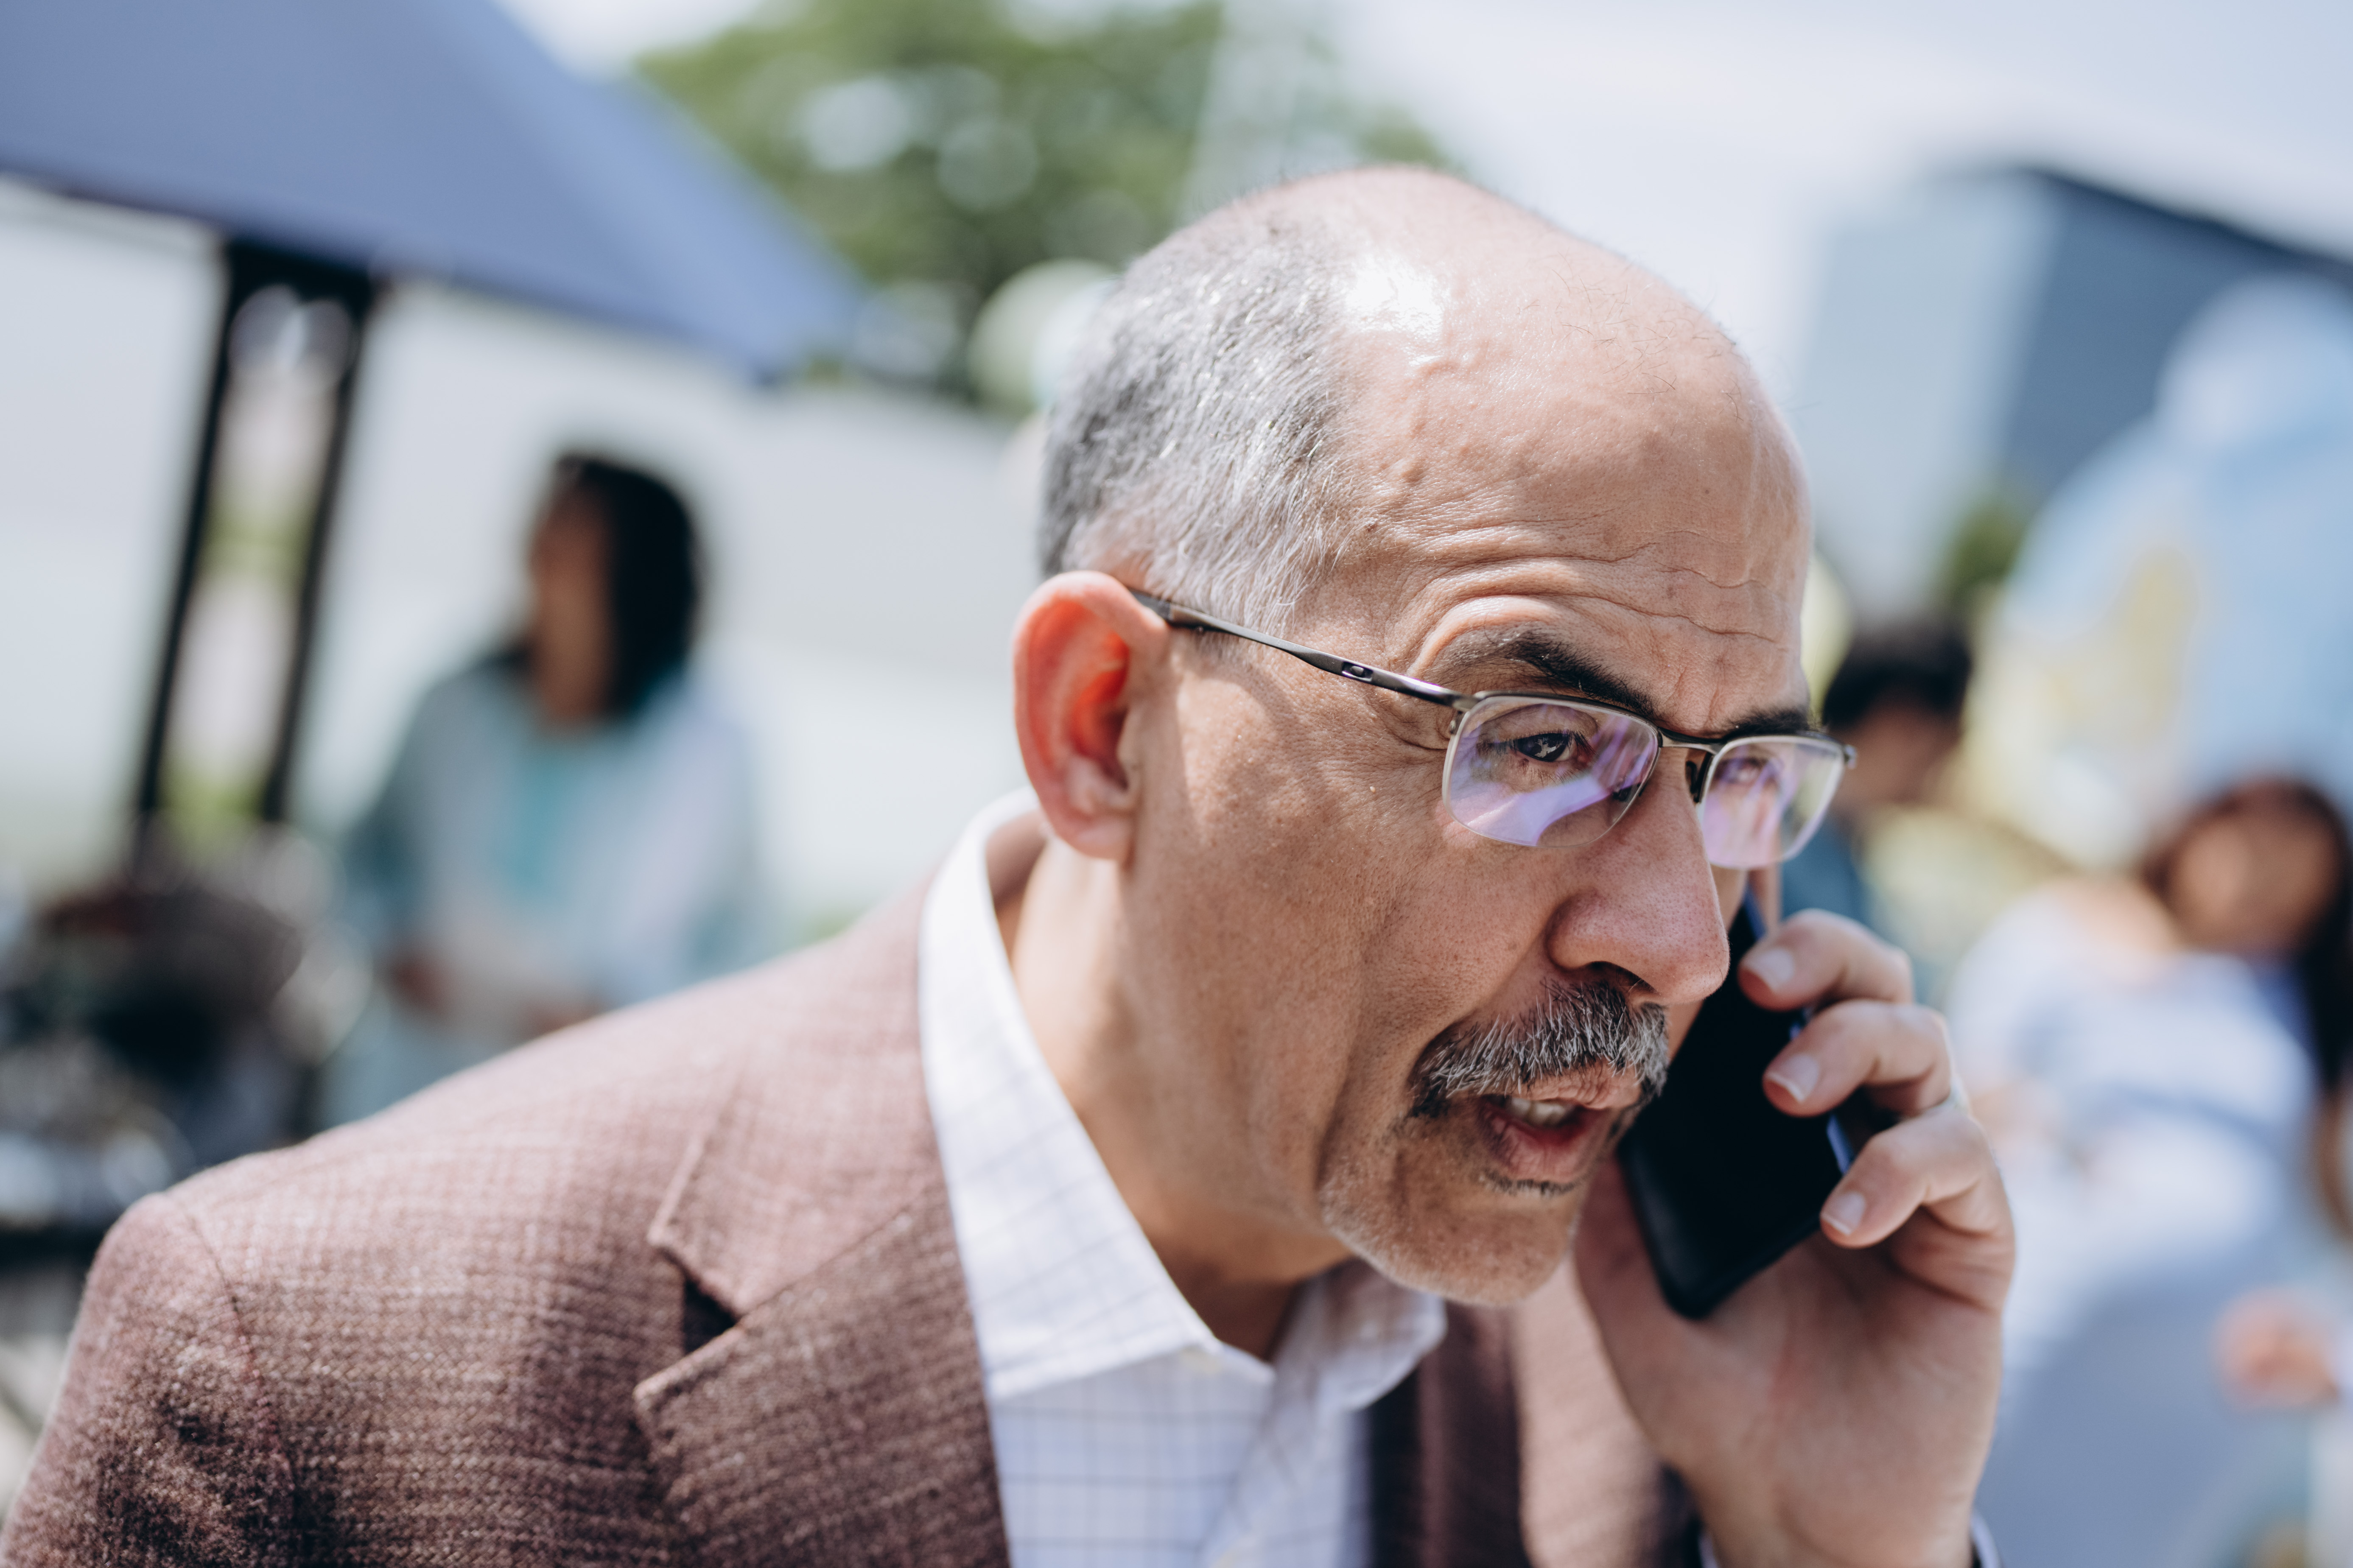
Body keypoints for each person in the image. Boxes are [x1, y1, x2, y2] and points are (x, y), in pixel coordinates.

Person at [3, 170, 2011, 1566]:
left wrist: (1838, 1546)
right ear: (1103, 723)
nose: (1675, 940)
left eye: (1739, 778)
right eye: (1540, 742)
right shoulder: (320, 1371)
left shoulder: (1676, 1399)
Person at [1945, 777, 2348, 1567]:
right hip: (2037, 1324)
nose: (2261, 893)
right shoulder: (2064, 929)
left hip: (2204, 1407)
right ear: (2201, 828)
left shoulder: (2293, 1007)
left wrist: (2332, 1339)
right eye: (2257, 857)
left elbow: (2333, 1197)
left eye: (2295, 891)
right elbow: (1967, 1084)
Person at [320, 454, 769, 1124]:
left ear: (632, 570)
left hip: (596, 1103)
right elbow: (363, 853)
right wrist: (392, 943)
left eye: (569, 547)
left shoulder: (712, 749)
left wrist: (616, 1012)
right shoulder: (453, 702)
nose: (538, 565)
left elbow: (746, 949)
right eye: (540, 540)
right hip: (413, 1078)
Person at [1779, 618, 1972, 939]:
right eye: (1952, 736)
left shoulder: (1831, 840)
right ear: (1905, 724)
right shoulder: (1783, 848)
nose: (1952, 762)